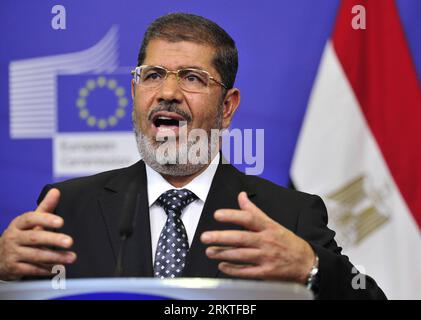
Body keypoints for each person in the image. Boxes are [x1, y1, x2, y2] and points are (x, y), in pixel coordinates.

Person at [0, 13, 386, 299]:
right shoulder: (69, 208)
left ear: (228, 106)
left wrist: (311, 267)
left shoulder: (287, 214)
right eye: (152, 75)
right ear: (134, 92)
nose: (167, 92)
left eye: (191, 77)